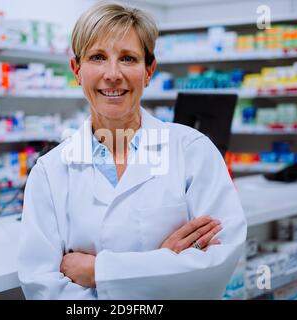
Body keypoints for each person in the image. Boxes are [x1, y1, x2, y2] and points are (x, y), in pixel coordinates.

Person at [18, 2, 247, 300]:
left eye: (128, 58)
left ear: (149, 70)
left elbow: (216, 265)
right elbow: (42, 287)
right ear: (77, 70)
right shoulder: (50, 171)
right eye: (98, 57)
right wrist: (164, 262)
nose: (113, 74)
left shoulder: (193, 152)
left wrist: (99, 272)